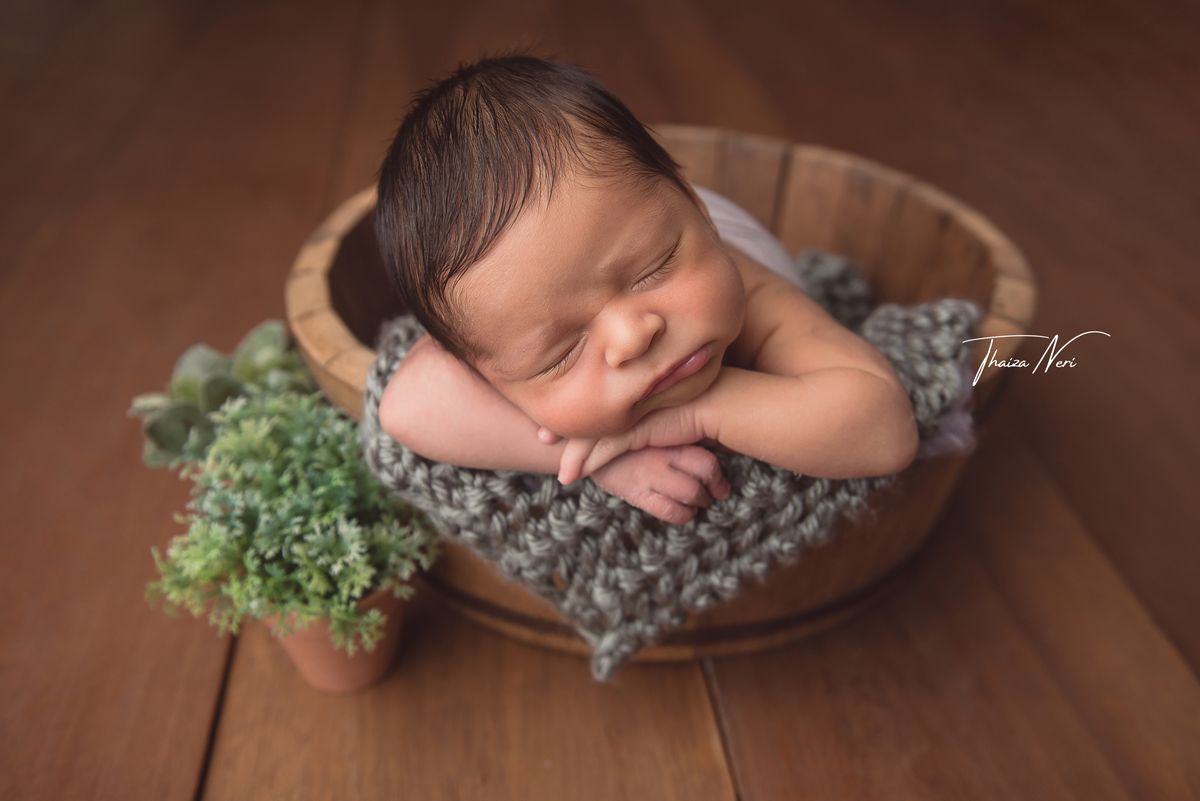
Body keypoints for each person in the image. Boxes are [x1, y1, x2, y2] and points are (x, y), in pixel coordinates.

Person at [374, 55, 918, 525]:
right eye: (560, 353)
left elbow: (884, 430)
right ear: (483, 377)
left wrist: (698, 415)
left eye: (653, 269)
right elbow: (406, 404)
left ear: (694, 208)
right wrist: (602, 458)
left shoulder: (752, 294)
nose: (632, 337)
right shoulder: (507, 316)